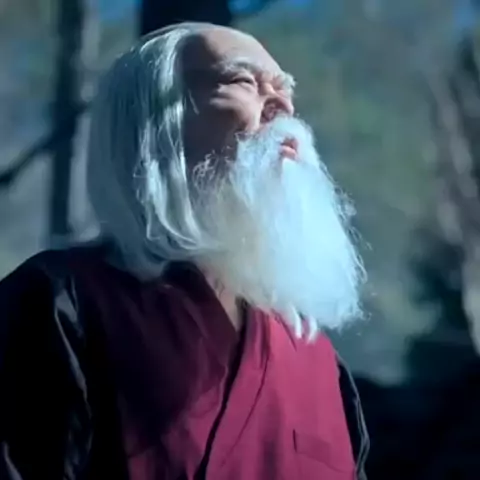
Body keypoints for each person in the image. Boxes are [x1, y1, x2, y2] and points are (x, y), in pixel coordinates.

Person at [0, 22, 369, 479]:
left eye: (284, 88)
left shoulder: (319, 365)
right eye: (244, 81)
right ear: (152, 125)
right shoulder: (59, 303)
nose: (284, 107)